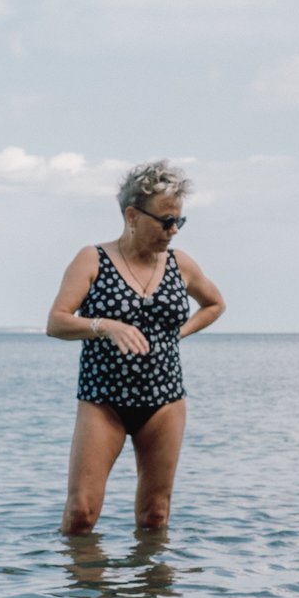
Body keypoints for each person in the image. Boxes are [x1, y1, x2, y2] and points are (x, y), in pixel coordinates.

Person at [43, 161, 226, 535]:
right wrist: (104, 326)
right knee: (81, 513)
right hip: (103, 401)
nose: (172, 230)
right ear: (132, 215)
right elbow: (57, 322)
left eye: (179, 221)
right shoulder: (92, 259)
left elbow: (215, 304)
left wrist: (178, 334)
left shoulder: (180, 263)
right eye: (164, 221)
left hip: (164, 402)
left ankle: (150, 592)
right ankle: (83, 593)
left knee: (155, 516)